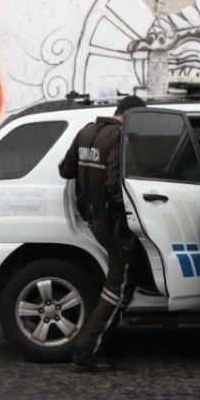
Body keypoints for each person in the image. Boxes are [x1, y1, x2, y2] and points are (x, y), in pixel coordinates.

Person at [58, 95, 146, 372]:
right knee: (118, 284)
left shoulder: (86, 131)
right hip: (113, 223)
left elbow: (65, 170)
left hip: (94, 220)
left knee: (123, 281)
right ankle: (86, 350)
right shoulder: (119, 138)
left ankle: (102, 337)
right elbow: (115, 186)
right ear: (130, 117)